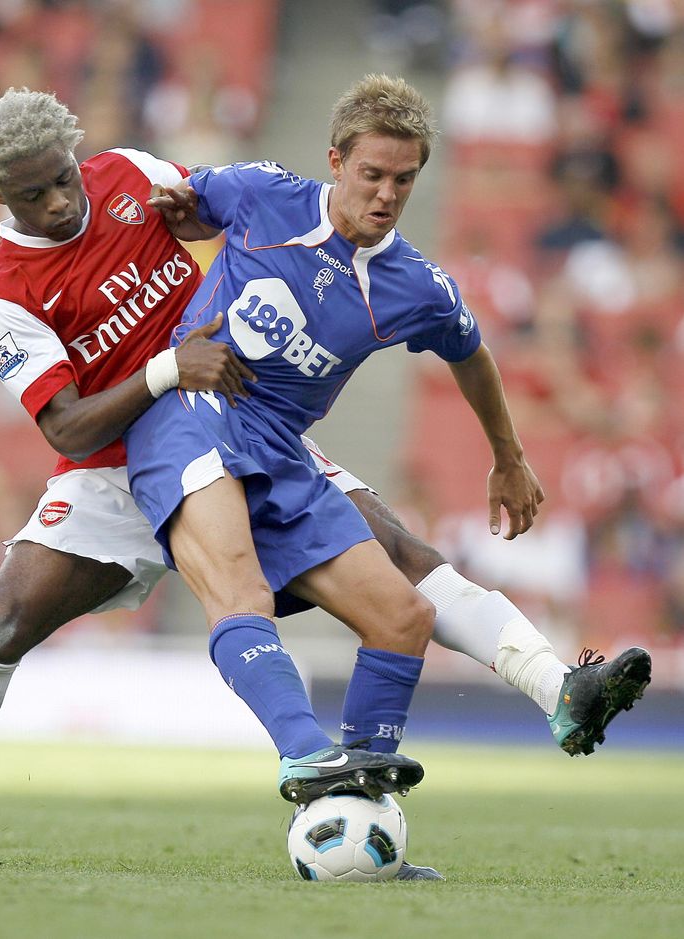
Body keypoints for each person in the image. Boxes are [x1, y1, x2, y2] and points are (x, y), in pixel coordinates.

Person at [0, 85, 649, 878]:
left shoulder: (124, 174)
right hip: (118, 458)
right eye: (37, 193)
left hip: (243, 418)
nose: (64, 201)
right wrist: (169, 366)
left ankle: (544, 692)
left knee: (404, 575)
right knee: (1, 626)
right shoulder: (3, 299)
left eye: (65, 176)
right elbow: (65, 427)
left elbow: (199, 206)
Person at [126, 70, 652, 794]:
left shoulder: (417, 285)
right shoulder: (258, 191)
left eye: (404, 181)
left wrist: (509, 456)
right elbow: (178, 203)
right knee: (240, 592)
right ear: (336, 161)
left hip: (281, 446)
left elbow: (471, 354)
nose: (386, 195)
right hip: (193, 413)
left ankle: (363, 803)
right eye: (372, 174)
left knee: (404, 614)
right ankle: (308, 754)